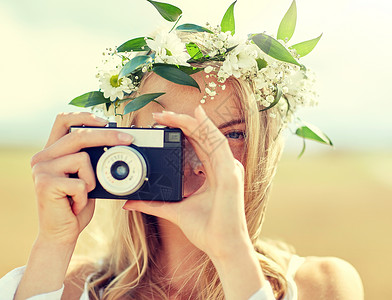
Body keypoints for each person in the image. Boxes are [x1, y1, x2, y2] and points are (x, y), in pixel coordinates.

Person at [0, 1, 364, 299]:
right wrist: (53, 243)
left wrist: (231, 254)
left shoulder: (322, 285)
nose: (202, 159)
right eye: (168, 133)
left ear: (264, 149)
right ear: (122, 144)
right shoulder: (64, 287)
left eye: (231, 136)